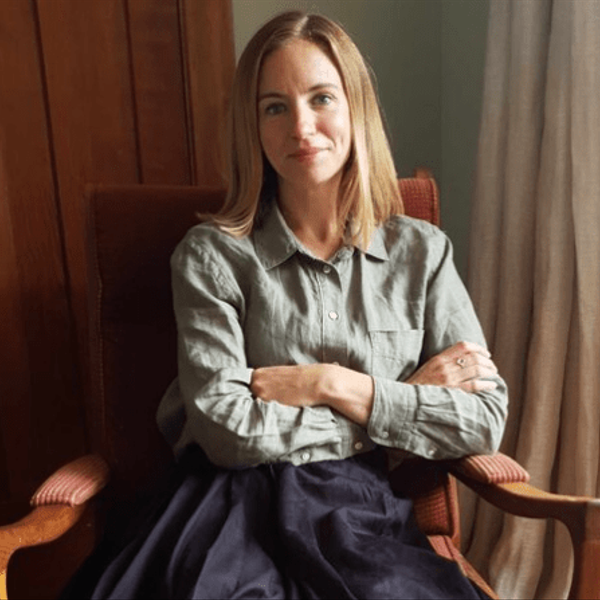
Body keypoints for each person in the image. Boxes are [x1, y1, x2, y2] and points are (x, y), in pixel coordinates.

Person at [71, 10, 507, 600]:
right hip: (226, 505)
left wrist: (331, 384)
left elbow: (483, 420)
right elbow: (225, 430)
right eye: (274, 106)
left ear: (356, 109)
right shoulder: (211, 257)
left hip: (360, 512)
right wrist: (393, 410)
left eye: (321, 98)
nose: (301, 126)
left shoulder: (422, 254)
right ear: (252, 127)